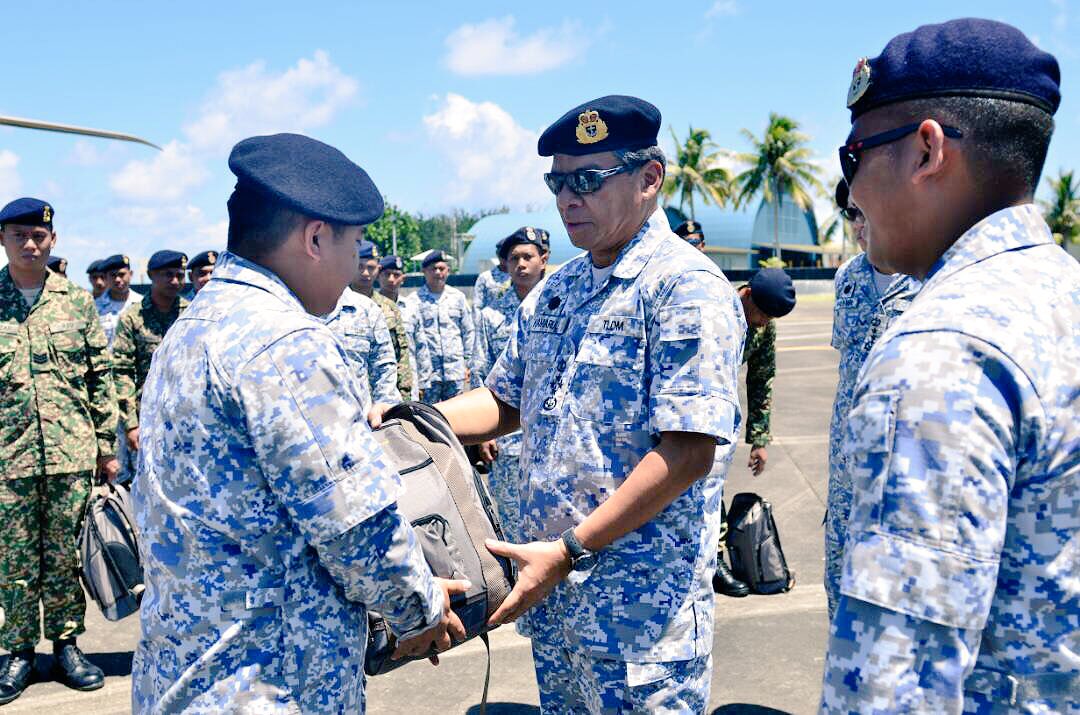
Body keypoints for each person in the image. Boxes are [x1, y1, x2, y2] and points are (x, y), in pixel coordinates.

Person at [379, 95, 745, 712]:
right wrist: (407, 425)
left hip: (639, 613)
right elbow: (505, 401)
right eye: (558, 182)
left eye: (588, 180)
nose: (567, 198)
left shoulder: (685, 289)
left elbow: (687, 453)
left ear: (649, 179)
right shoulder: (558, 291)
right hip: (554, 600)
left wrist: (571, 550)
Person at [131, 134, 467, 713]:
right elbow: (356, 528)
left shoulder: (192, 327)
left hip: (185, 675)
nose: (357, 265)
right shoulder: (286, 342)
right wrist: (423, 607)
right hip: (273, 684)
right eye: (355, 243)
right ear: (315, 238)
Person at [823, 19, 1079, 712]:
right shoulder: (1065, 295)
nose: (852, 194)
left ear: (928, 150)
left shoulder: (938, 350)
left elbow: (890, 685)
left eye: (855, 155)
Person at [0, 198, 118, 704]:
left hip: (71, 453)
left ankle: (67, 645)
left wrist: (107, 447)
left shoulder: (74, 301)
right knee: (14, 561)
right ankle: (19, 651)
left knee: (67, 557)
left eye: (40, 236)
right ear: (3, 239)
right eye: (20, 235)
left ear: (53, 240)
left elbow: (100, 376)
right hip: (8, 458)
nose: (31, 244)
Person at [824, 180, 919, 619]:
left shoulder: (928, 278)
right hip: (845, 474)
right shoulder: (847, 277)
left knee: (895, 599)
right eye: (851, 214)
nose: (860, 226)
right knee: (839, 588)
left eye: (865, 212)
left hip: (900, 474)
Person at [470, 226, 550, 548]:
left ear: (543, 260)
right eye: (514, 257)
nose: (521, 264)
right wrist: (484, 433)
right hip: (507, 437)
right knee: (508, 516)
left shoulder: (565, 307)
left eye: (528, 256)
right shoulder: (490, 316)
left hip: (550, 434)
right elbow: (480, 373)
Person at [111, 250, 189, 484]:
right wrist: (131, 424)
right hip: (147, 416)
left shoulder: (191, 314)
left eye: (179, 275)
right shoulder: (133, 318)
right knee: (146, 483)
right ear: (151, 275)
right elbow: (121, 372)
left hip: (184, 415)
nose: (175, 281)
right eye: (168, 275)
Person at [326, 241, 399, 411]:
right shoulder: (300, 306)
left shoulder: (368, 310)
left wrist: (385, 407)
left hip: (361, 420)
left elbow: (384, 364)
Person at [350, 241, 419, 402]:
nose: (366, 273)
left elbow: (402, 353)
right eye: (360, 267)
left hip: (384, 397)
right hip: (351, 396)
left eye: (371, 268)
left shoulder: (389, 307)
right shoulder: (334, 303)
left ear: (378, 269)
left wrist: (405, 394)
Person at [405, 250, 475, 403]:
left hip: (455, 371)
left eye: (442, 269)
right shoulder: (413, 301)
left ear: (448, 271)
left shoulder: (458, 298)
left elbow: (468, 331)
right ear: (424, 271)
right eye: (433, 269)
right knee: (430, 417)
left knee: (457, 416)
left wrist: (468, 362)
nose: (438, 273)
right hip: (429, 375)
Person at [378, 254, 432, 401]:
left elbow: (421, 345)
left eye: (396, 275)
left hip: (409, 380)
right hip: (380, 381)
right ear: (378, 276)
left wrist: (424, 382)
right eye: (386, 274)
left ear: (403, 278)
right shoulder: (370, 306)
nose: (391, 279)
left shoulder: (411, 307)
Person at [94, 253, 140, 347]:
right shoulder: (95, 307)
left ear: (130, 274)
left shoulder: (142, 304)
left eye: (122, 274)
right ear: (106, 278)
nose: (118, 279)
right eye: (113, 275)